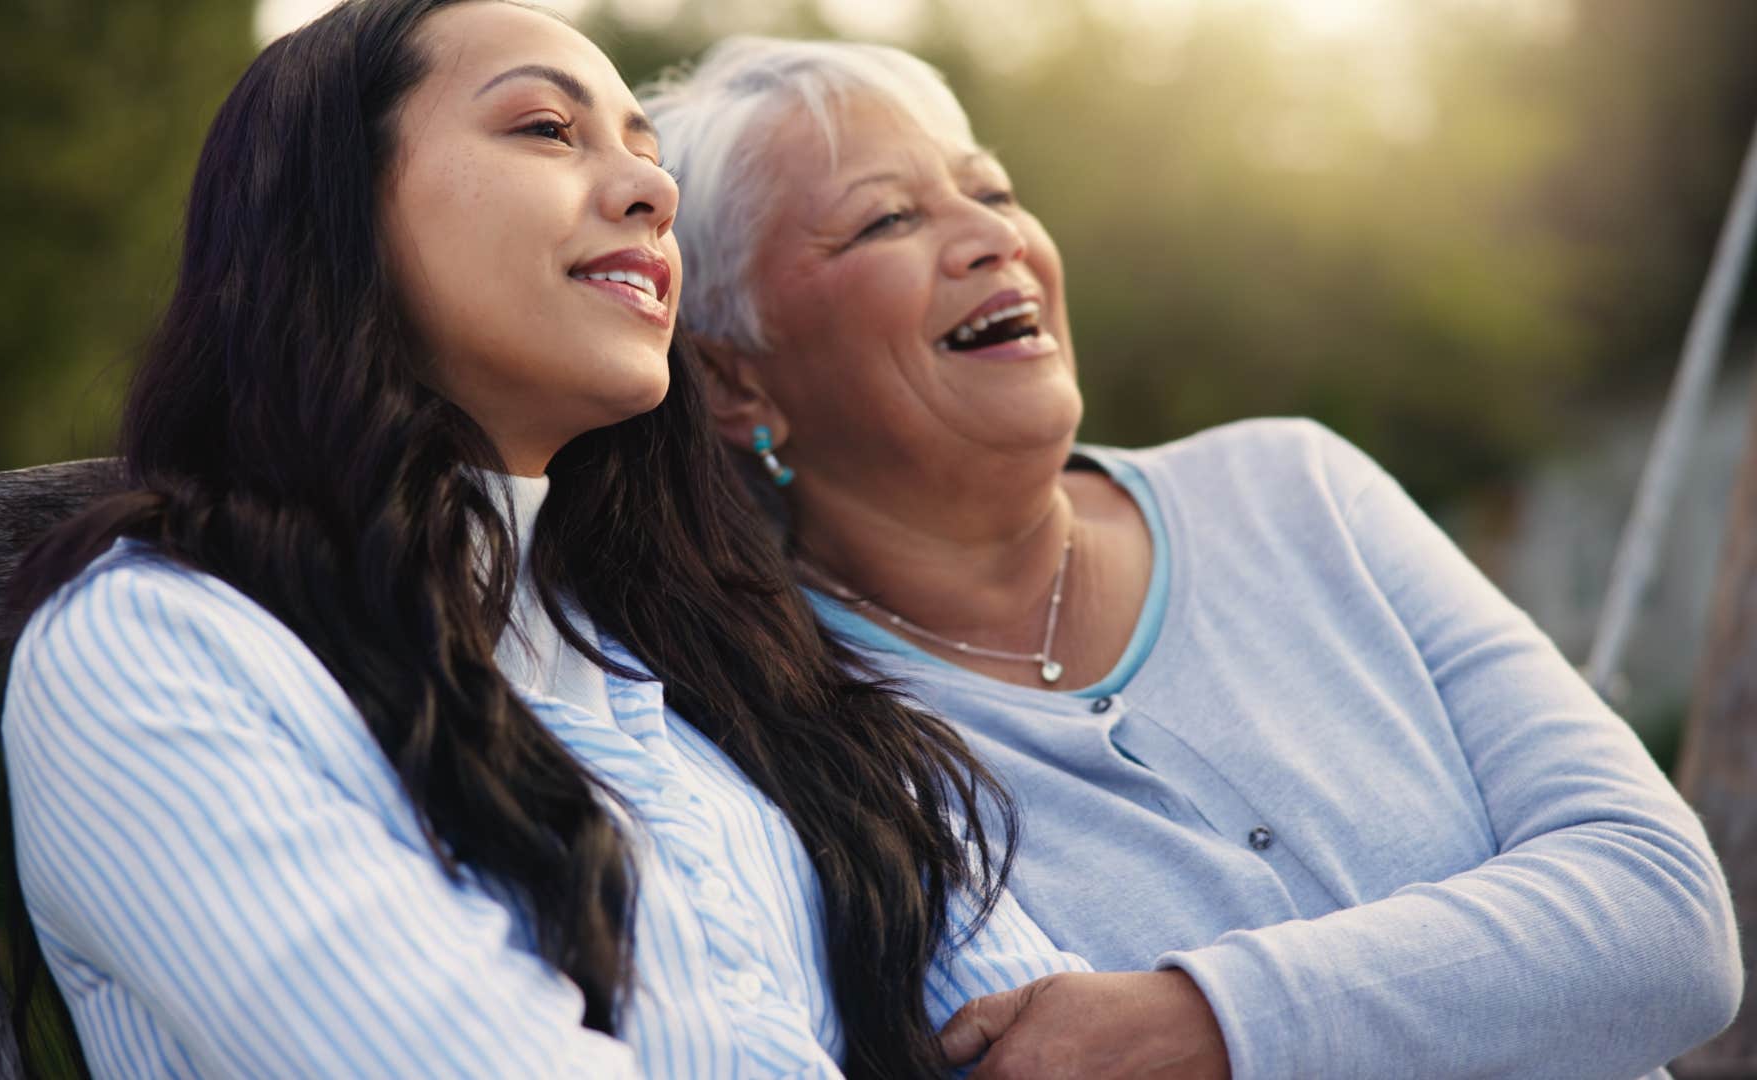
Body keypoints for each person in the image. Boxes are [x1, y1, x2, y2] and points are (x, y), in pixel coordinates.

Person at [0, 4, 1090, 1076]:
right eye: (546, 130)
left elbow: (1053, 1040)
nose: (653, 192)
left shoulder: (712, 654)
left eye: (646, 152)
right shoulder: (156, 651)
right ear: (332, 208)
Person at [643, 35, 1742, 1080]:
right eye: (885, 220)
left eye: (992, 190)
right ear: (736, 383)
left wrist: (1205, 1025)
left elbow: (1671, 919)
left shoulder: (1296, 489)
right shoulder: (763, 733)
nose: (993, 239)